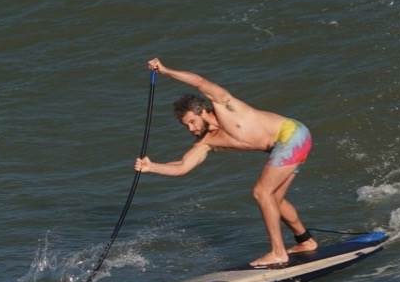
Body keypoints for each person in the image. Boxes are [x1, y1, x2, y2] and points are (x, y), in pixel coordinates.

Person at [134, 58, 317, 268]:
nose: (191, 129)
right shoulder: (206, 141)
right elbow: (183, 166)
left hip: (291, 135)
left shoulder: (224, 105)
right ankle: (305, 241)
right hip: (289, 144)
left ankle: (278, 252)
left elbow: (200, 82)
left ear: (202, 111)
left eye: (192, 122)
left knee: (261, 192)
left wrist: (166, 71)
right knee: (274, 198)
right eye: (186, 126)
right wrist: (151, 167)